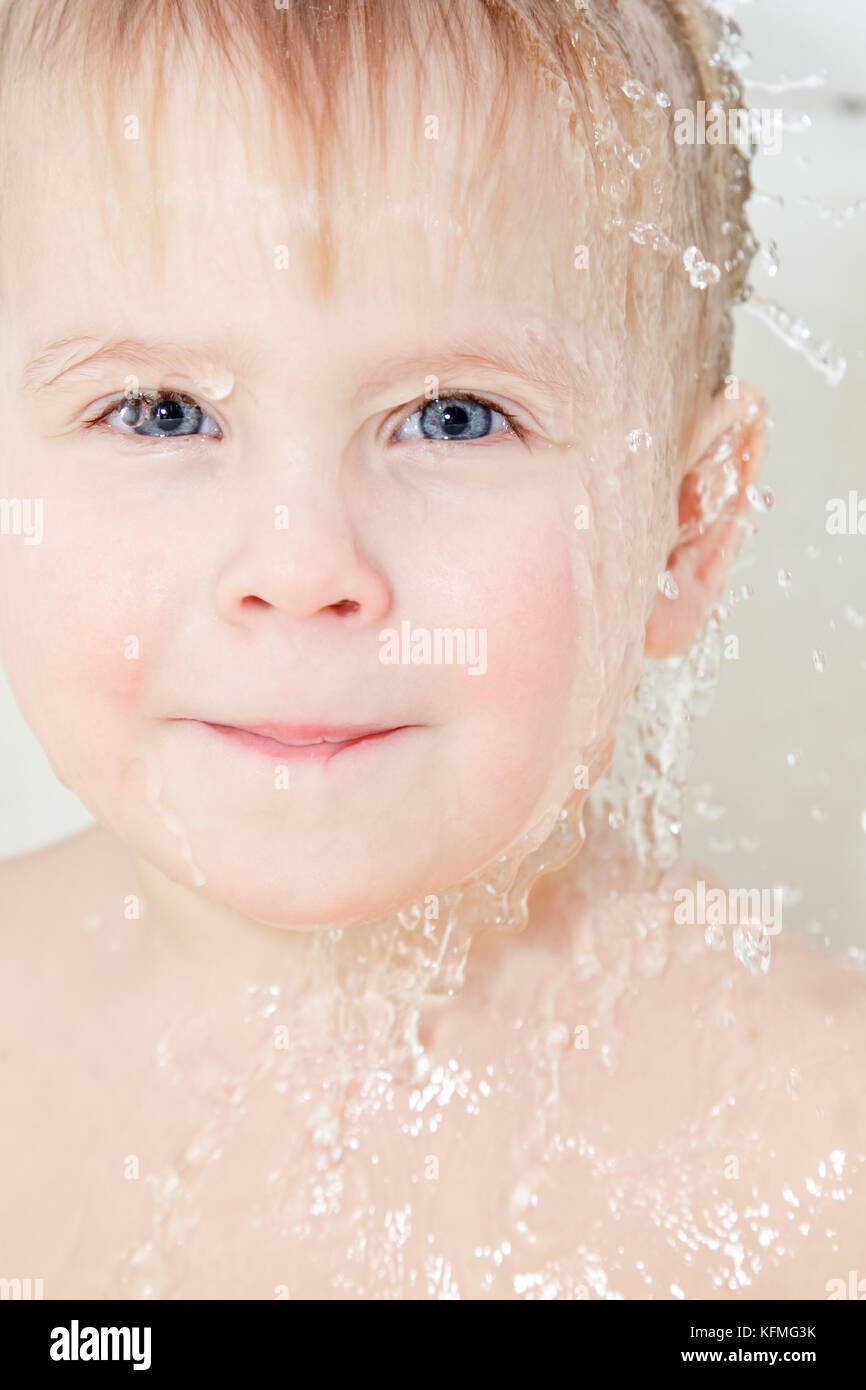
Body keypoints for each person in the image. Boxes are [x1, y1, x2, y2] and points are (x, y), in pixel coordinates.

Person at [0, 0, 862, 1299]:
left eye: (452, 418)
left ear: (685, 525)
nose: (296, 567)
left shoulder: (818, 1153)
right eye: (159, 411)